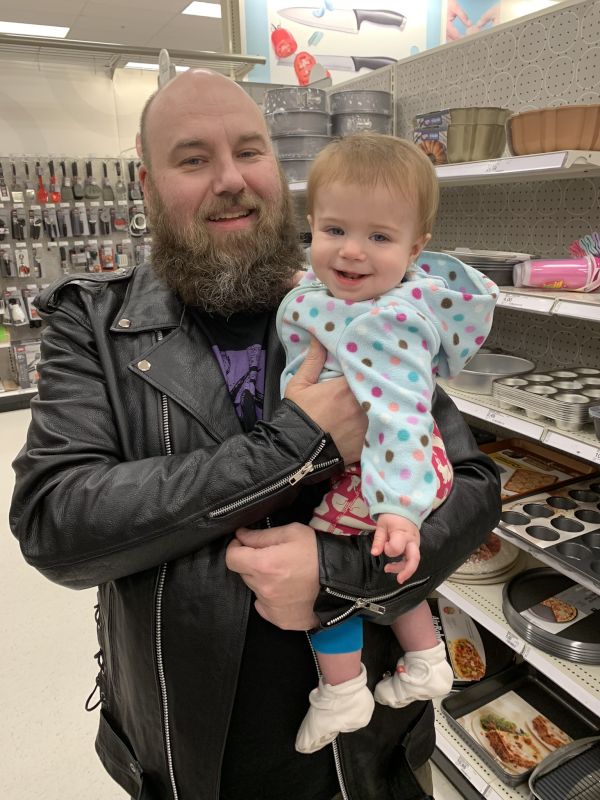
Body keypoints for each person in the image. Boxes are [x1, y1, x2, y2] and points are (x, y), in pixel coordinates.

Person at [9, 69, 501, 800]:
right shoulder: (94, 325)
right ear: (148, 185)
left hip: (371, 754)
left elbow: (472, 488)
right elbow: (57, 522)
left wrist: (338, 575)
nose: (231, 179)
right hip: (190, 757)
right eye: (193, 159)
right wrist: (296, 445)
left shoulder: (358, 302)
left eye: (249, 151)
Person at [277, 134, 498, 753]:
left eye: (378, 237)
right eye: (334, 230)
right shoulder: (358, 297)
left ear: (414, 249)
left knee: (326, 573)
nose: (351, 250)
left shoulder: (385, 323)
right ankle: (426, 661)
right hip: (400, 468)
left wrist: (398, 507)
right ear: (311, 227)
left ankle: (342, 691)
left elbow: (400, 417)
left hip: (387, 473)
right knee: (396, 576)